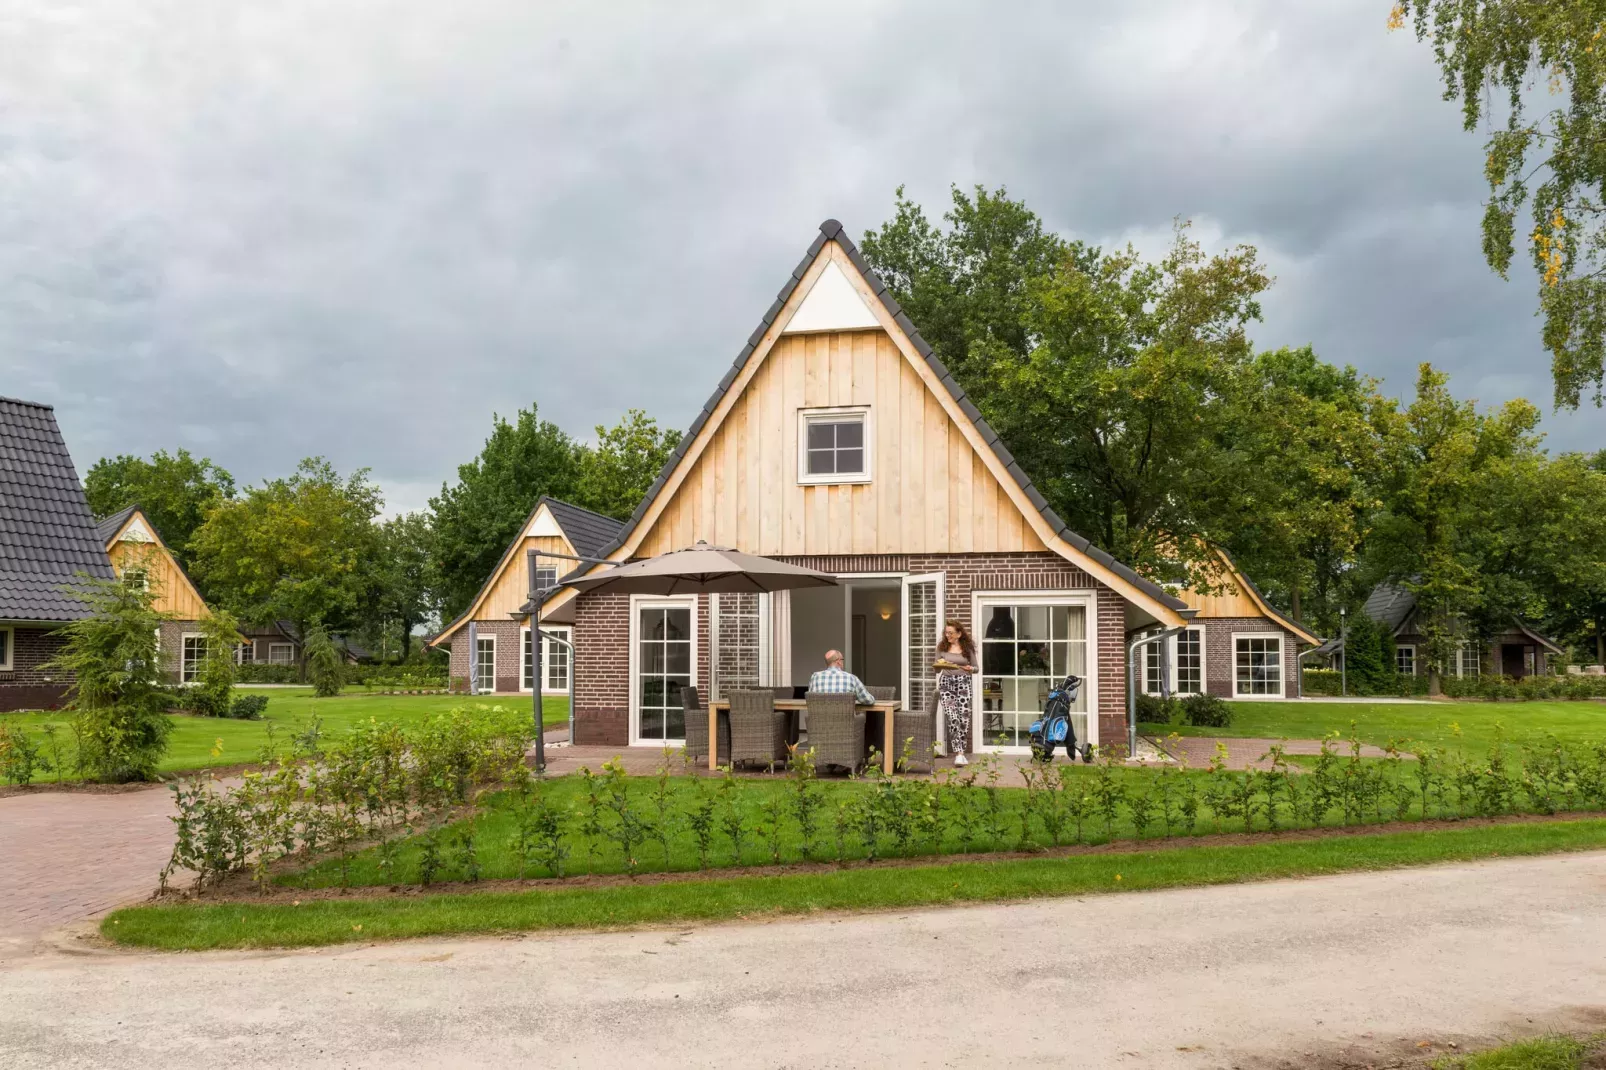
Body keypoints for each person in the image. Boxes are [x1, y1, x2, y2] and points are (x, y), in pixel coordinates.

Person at [934, 620, 979, 765]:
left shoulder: (967, 649)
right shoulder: (941, 647)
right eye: (946, 633)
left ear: (959, 634)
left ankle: (961, 753)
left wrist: (970, 669)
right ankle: (958, 752)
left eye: (951, 633)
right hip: (946, 683)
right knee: (952, 717)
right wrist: (938, 665)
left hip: (964, 683)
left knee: (963, 719)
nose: (948, 635)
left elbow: (976, 668)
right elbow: (936, 668)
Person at [808, 649, 877, 706]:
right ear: (838, 661)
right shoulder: (851, 678)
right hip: (846, 722)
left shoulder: (815, 677)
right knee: (861, 717)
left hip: (819, 721)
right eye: (842, 660)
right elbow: (869, 700)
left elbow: (810, 699)